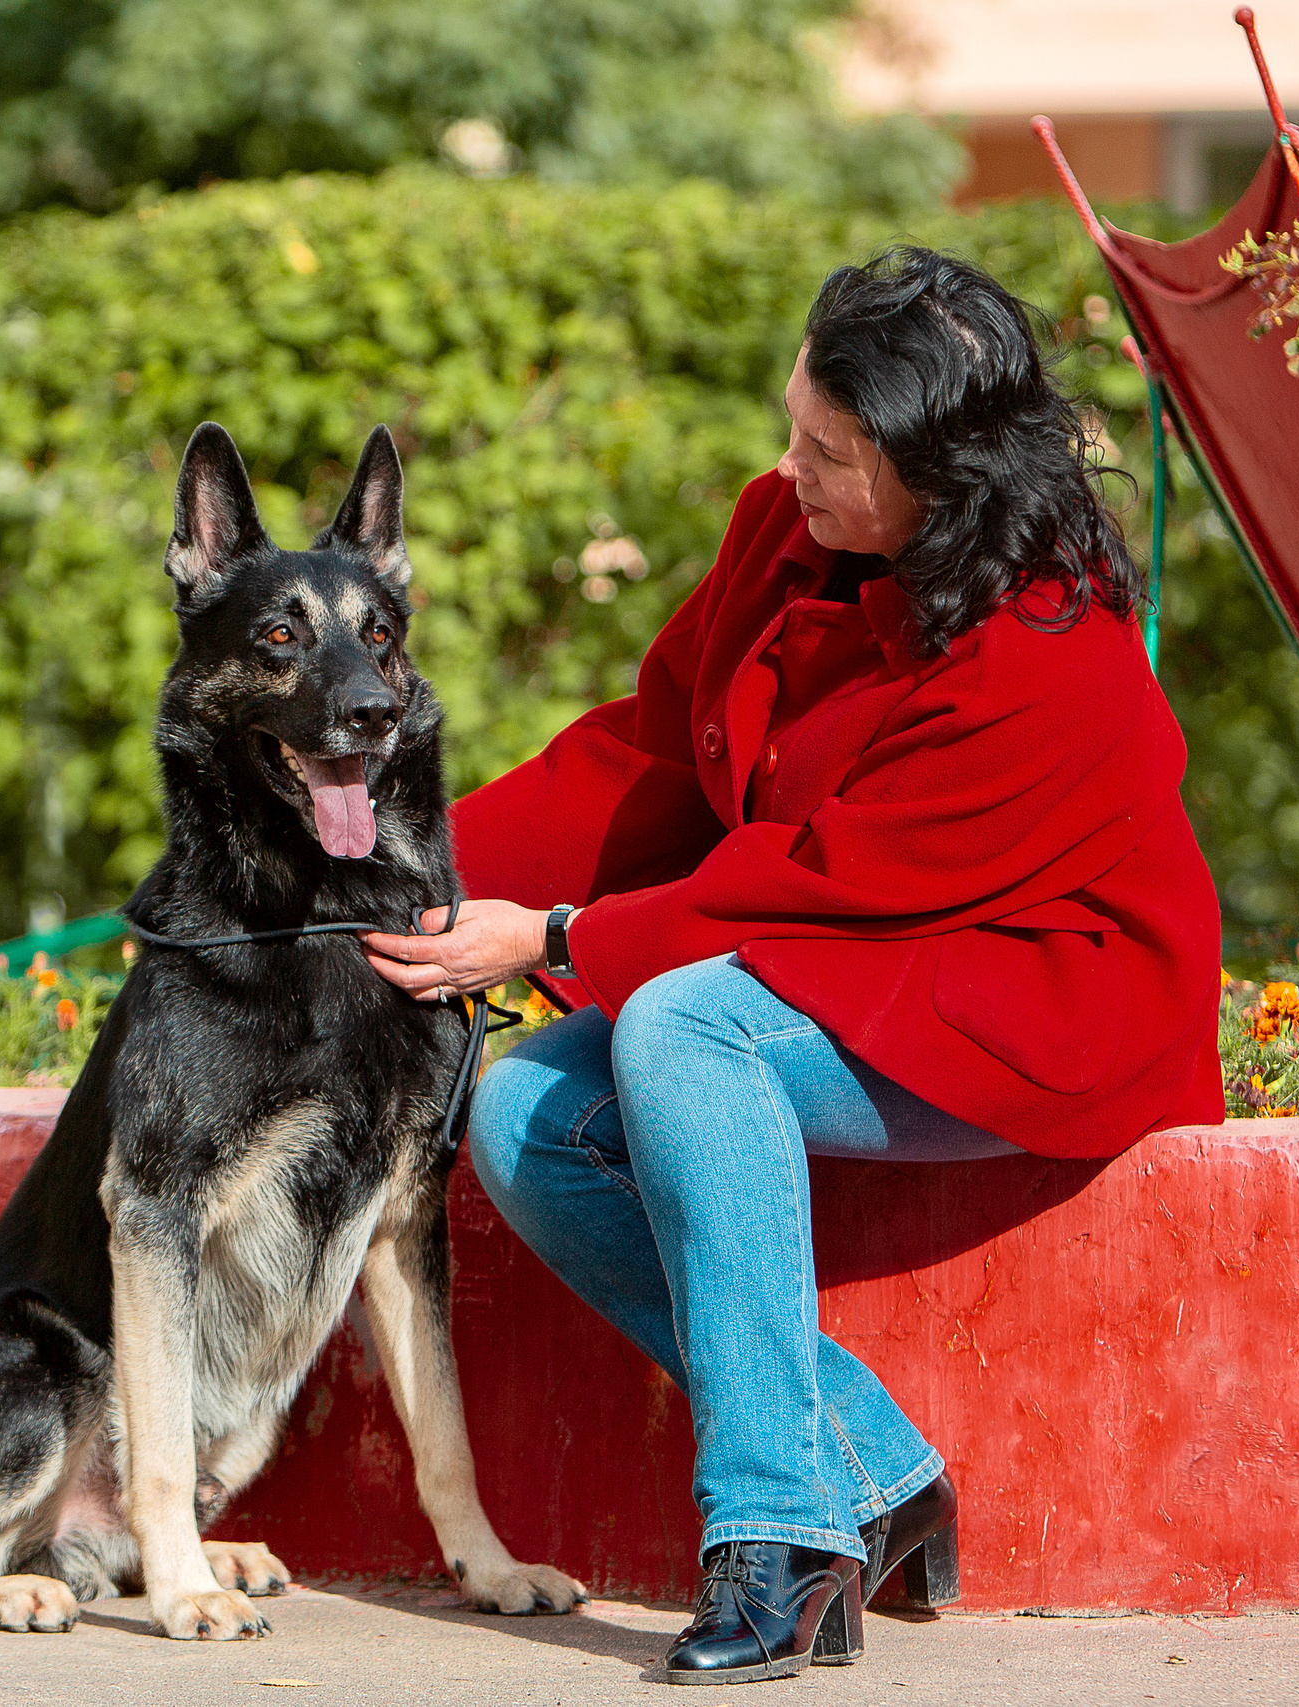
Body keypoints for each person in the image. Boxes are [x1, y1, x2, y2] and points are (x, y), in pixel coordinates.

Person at [364, 246, 1224, 1686]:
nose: (789, 469)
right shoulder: (792, 533)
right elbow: (648, 754)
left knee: (688, 1024)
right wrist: (406, 869)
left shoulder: (1049, 652)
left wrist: (559, 939)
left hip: (1024, 997)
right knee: (524, 1117)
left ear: (938, 471)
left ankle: (777, 1530)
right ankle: (870, 1472)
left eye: (827, 450)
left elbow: (836, 885)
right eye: (793, 427)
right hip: (828, 962)